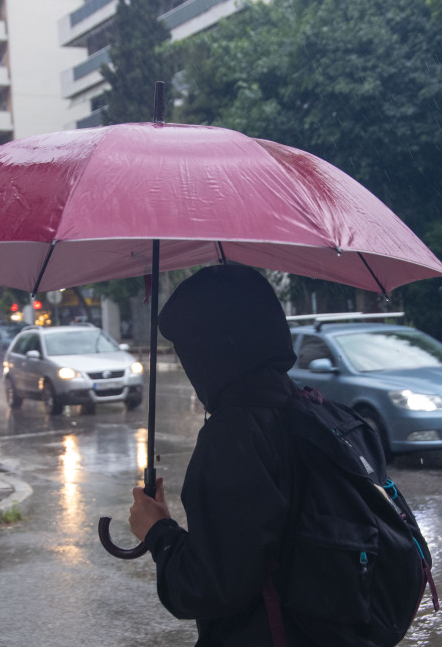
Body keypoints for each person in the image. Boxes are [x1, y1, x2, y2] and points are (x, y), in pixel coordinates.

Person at [128, 265, 308, 646]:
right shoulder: (312, 410)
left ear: (211, 348)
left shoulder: (236, 436)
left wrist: (157, 532)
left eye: (186, 349)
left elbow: (206, 589)